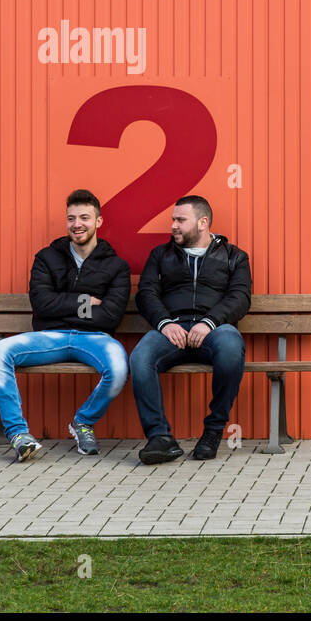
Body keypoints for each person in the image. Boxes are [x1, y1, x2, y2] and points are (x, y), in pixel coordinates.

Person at [0, 189, 131, 461]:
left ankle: (83, 422)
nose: (77, 224)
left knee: (119, 369)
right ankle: (19, 434)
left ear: (98, 222)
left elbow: (111, 316)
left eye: (84, 217)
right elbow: (41, 304)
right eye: (71, 218)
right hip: (49, 337)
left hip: (95, 339)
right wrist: (86, 302)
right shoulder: (47, 257)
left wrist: (62, 306)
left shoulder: (116, 266)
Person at [130, 195, 252, 463]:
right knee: (140, 357)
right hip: (171, 331)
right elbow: (147, 293)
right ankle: (159, 438)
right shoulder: (160, 255)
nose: (173, 225)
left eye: (180, 220)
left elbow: (240, 297)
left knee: (231, 346)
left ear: (202, 223)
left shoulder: (234, 257)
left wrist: (209, 322)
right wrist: (164, 323)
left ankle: (213, 430)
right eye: (173, 220)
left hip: (215, 331)